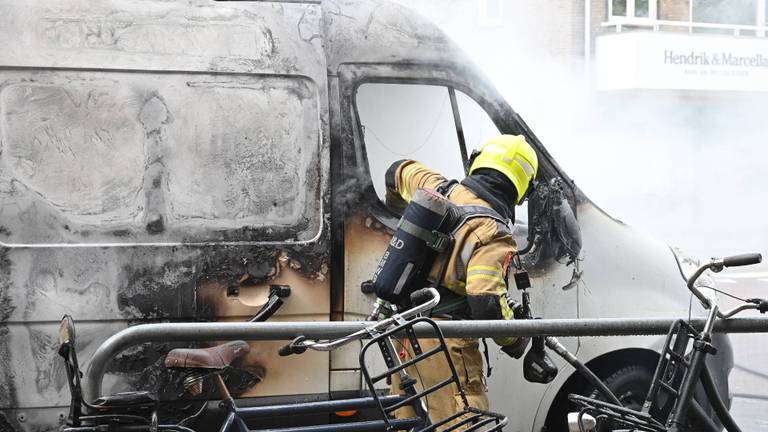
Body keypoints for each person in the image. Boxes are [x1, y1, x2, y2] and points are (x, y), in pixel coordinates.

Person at [383, 134, 538, 428]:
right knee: (463, 419)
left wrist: (398, 211)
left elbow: (396, 170)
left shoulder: (435, 187)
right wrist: (516, 340)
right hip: (447, 345)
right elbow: (485, 304)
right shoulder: (493, 232)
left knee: (409, 421)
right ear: (521, 190)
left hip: (404, 333)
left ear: (476, 163)